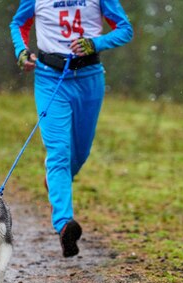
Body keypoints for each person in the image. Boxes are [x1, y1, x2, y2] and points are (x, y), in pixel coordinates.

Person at [10, 0, 133, 258]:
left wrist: (94, 43)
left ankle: (54, 182)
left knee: (79, 153)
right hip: (49, 77)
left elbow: (125, 30)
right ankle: (65, 224)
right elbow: (19, 23)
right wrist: (22, 52)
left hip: (89, 79)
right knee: (58, 151)